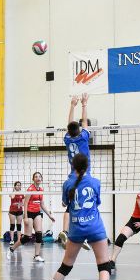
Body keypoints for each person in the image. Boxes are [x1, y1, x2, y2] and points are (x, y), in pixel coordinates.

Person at [41, 154, 120, 280]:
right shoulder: (95, 182)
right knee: (104, 265)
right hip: (95, 227)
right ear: (88, 165)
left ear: (72, 166)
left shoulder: (67, 184)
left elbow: (65, 204)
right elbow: (97, 202)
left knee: (65, 266)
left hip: (76, 228)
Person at [58, 94, 92, 252]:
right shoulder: (83, 138)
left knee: (70, 205)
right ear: (79, 130)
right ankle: (82, 235)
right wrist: (85, 105)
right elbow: (84, 122)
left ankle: (65, 231)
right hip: (84, 177)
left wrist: (73, 105)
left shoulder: (67, 139)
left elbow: (70, 124)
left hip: (71, 177)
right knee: (85, 205)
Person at [8, 172, 55, 262]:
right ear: (33, 179)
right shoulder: (30, 189)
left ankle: (36, 255)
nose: (38, 178)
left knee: (39, 234)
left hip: (37, 213)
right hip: (29, 213)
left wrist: (49, 215)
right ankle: (12, 248)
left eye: (39, 176)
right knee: (27, 237)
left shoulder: (41, 189)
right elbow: (25, 203)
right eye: (36, 177)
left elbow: (42, 204)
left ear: (41, 179)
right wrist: (25, 217)